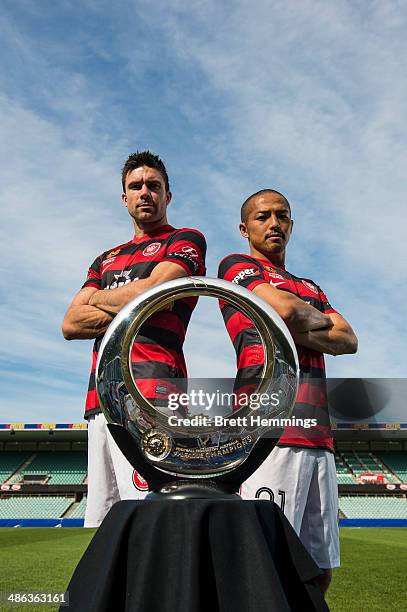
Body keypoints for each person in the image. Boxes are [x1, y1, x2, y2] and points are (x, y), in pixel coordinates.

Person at [218, 189, 357, 594]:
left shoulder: (310, 284)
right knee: (266, 564)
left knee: (320, 567)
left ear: (292, 225)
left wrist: (297, 319)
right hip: (269, 434)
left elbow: (348, 339)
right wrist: (313, 323)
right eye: (263, 217)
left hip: (319, 437)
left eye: (282, 216)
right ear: (245, 228)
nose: (274, 223)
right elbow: (284, 311)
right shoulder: (236, 266)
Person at [62, 151, 206, 527]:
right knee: (105, 528)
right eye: (136, 186)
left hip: (154, 396)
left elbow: (157, 292)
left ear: (168, 196)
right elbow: (71, 324)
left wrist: (97, 298)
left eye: (154, 186)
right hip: (101, 401)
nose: (145, 192)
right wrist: (138, 300)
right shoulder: (104, 259)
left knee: (153, 520)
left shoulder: (186, 239)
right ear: (124, 197)